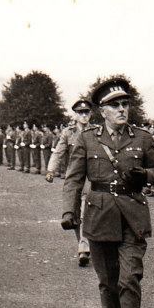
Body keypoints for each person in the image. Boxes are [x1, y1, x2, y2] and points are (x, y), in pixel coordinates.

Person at [62, 78, 154, 308]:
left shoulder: (142, 138)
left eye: (125, 104)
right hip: (99, 215)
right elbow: (74, 178)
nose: (122, 109)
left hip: (132, 215)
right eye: (115, 105)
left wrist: (144, 175)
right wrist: (69, 212)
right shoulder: (87, 139)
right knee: (107, 282)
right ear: (102, 110)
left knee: (128, 278)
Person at [48, 99, 95, 267]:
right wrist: (50, 170)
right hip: (73, 176)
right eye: (80, 113)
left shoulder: (96, 131)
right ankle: (82, 244)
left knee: (85, 209)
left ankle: (84, 246)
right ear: (75, 115)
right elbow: (58, 152)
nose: (84, 115)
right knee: (74, 213)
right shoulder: (68, 133)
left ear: (91, 114)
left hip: (91, 176)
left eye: (86, 112)